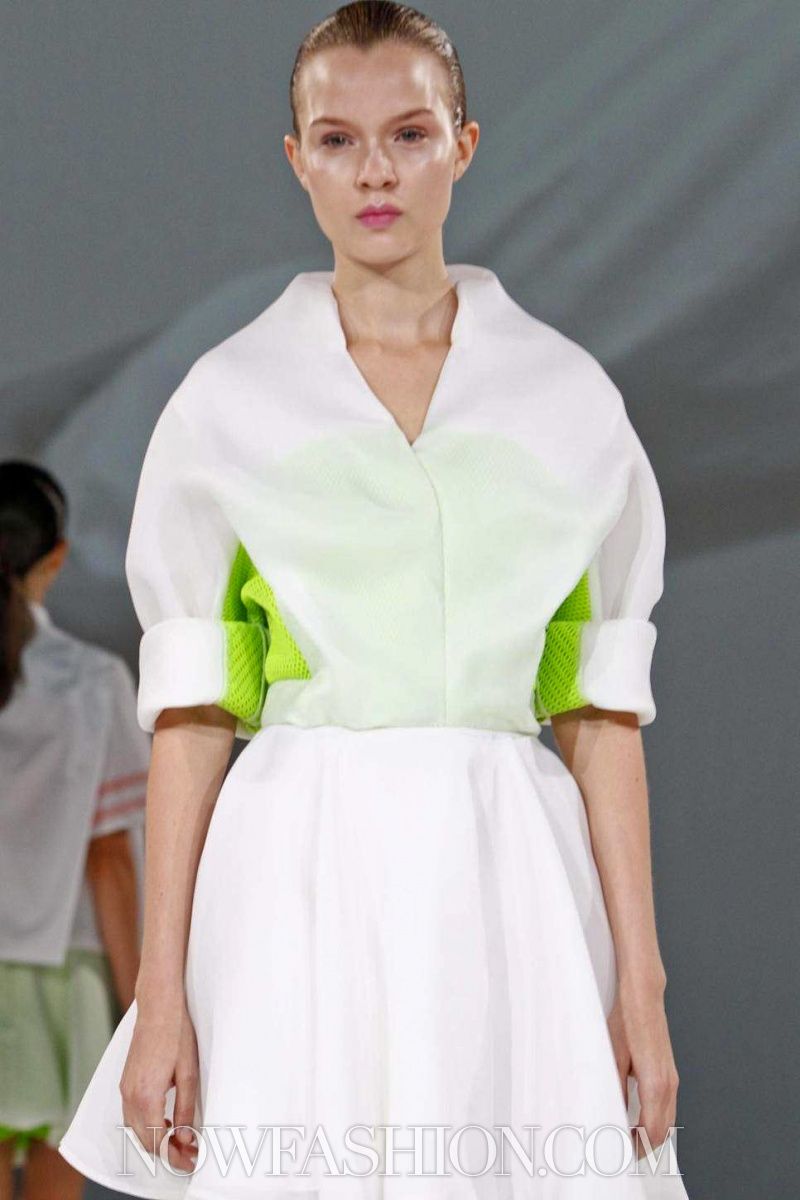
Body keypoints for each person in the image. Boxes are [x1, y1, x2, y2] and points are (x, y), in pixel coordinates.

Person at [58, 2, 692, 1195]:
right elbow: (193, 715)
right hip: (294, 871)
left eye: (407, 133)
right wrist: (160, 996)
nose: (375, 173)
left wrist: (640, 987)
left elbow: (598, 710)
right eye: (337, 141)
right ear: (296, 160)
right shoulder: (228, 403)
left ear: (462, 144)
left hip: (506, 871)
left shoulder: (564, 404)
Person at [0, 461, 149, 1200]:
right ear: (54, 559)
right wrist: (144, 1004)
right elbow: (110, 859)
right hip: (68, 974)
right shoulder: (92, 681)